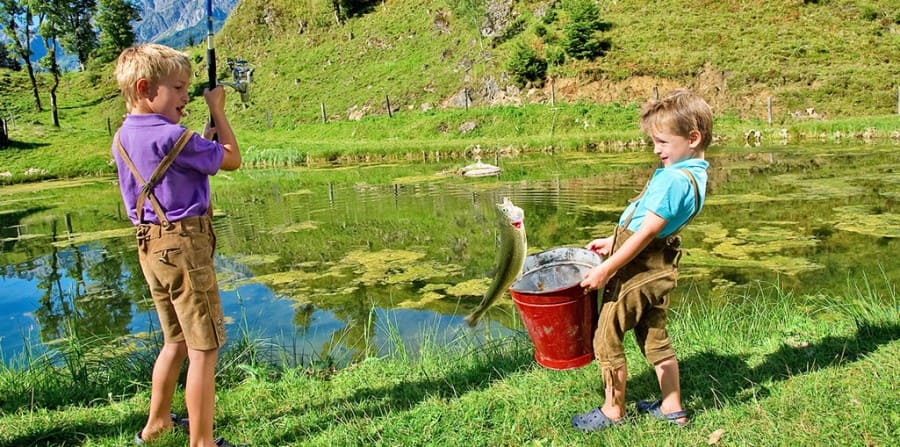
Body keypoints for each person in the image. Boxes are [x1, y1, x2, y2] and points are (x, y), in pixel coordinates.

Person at [111, 43, 242, 447]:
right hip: (185, 247)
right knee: (205, 347)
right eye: (179, 88)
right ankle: (202, 442)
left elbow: (171, 168)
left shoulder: (123, 135)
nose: (187, 96)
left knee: (176, 340)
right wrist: (218, 108)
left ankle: (157, 424)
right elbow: (232, 159)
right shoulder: (173, 136)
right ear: (146, 87)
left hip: (150, 248)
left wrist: (200, 138)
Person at [572, 89, 712, 431]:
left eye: (662, 142)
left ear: (692, 138)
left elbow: (647, 232)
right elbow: (646, 222)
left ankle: (612, 411)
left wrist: (607, 268)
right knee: (654, 335)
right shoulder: (695, 174)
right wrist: (611, 240)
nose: (656, 149)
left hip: (638, 271)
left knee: (607, 335)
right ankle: (672, 407)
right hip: (659, 270)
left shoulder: (674, 180)